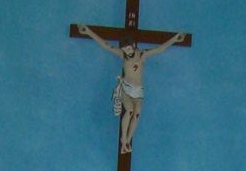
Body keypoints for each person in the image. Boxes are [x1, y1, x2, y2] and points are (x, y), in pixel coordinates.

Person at [77, 24, 186, 153]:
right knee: (129, 111)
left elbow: (159, 49)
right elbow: (106, 45)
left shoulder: (142, 55)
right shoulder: (122, 55)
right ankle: (123, 139)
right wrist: (88, 32)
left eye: (128, 48)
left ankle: (128, 141)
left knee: (137, 113)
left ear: (133, 45)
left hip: (138, 91)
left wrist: (175, 39)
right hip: (126, 88)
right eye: (124, 49)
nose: (127, 51)